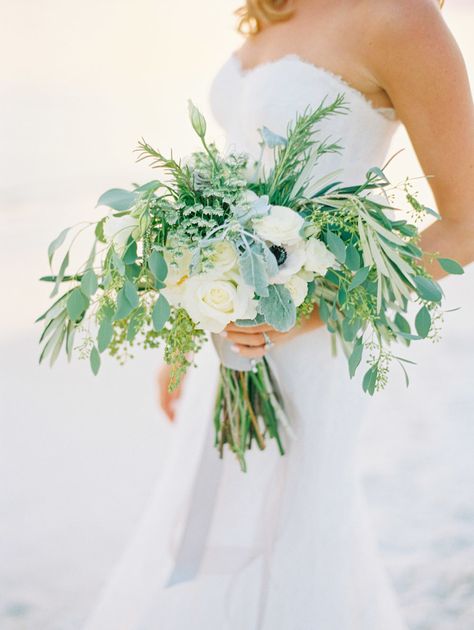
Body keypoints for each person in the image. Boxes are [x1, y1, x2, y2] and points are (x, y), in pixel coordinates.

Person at [85, 1, 474, 628]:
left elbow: (465, 225)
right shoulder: (276, 8)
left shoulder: (403, 19)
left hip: (316, 335)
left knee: (291, 527)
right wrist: (187, 336)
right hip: (228, 335)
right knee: (206, 518)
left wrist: (303, 311)